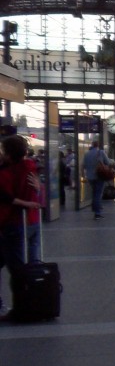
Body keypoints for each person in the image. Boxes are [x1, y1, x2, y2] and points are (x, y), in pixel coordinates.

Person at [0, 135, 42, 318]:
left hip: (12, 224)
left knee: (18, 269)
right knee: (28, 265)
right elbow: (35, 192)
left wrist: (24, 203)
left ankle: (23, 306)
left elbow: (5, 197)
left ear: (8, 153)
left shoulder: (7, 173)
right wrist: (36, 194)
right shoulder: (30, 168)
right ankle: (31, 302)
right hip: (31, 221)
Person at [82, 138, 113, 219]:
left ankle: (95, 207)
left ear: (92, 145)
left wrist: (84, 175)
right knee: (98, 194)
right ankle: (97, 213)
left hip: (90, 177)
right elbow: (108, 162)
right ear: (98, 145)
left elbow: (84, 165)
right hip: (99, 176)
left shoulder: (87, 154)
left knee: (94, 193)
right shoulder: (101, 152)